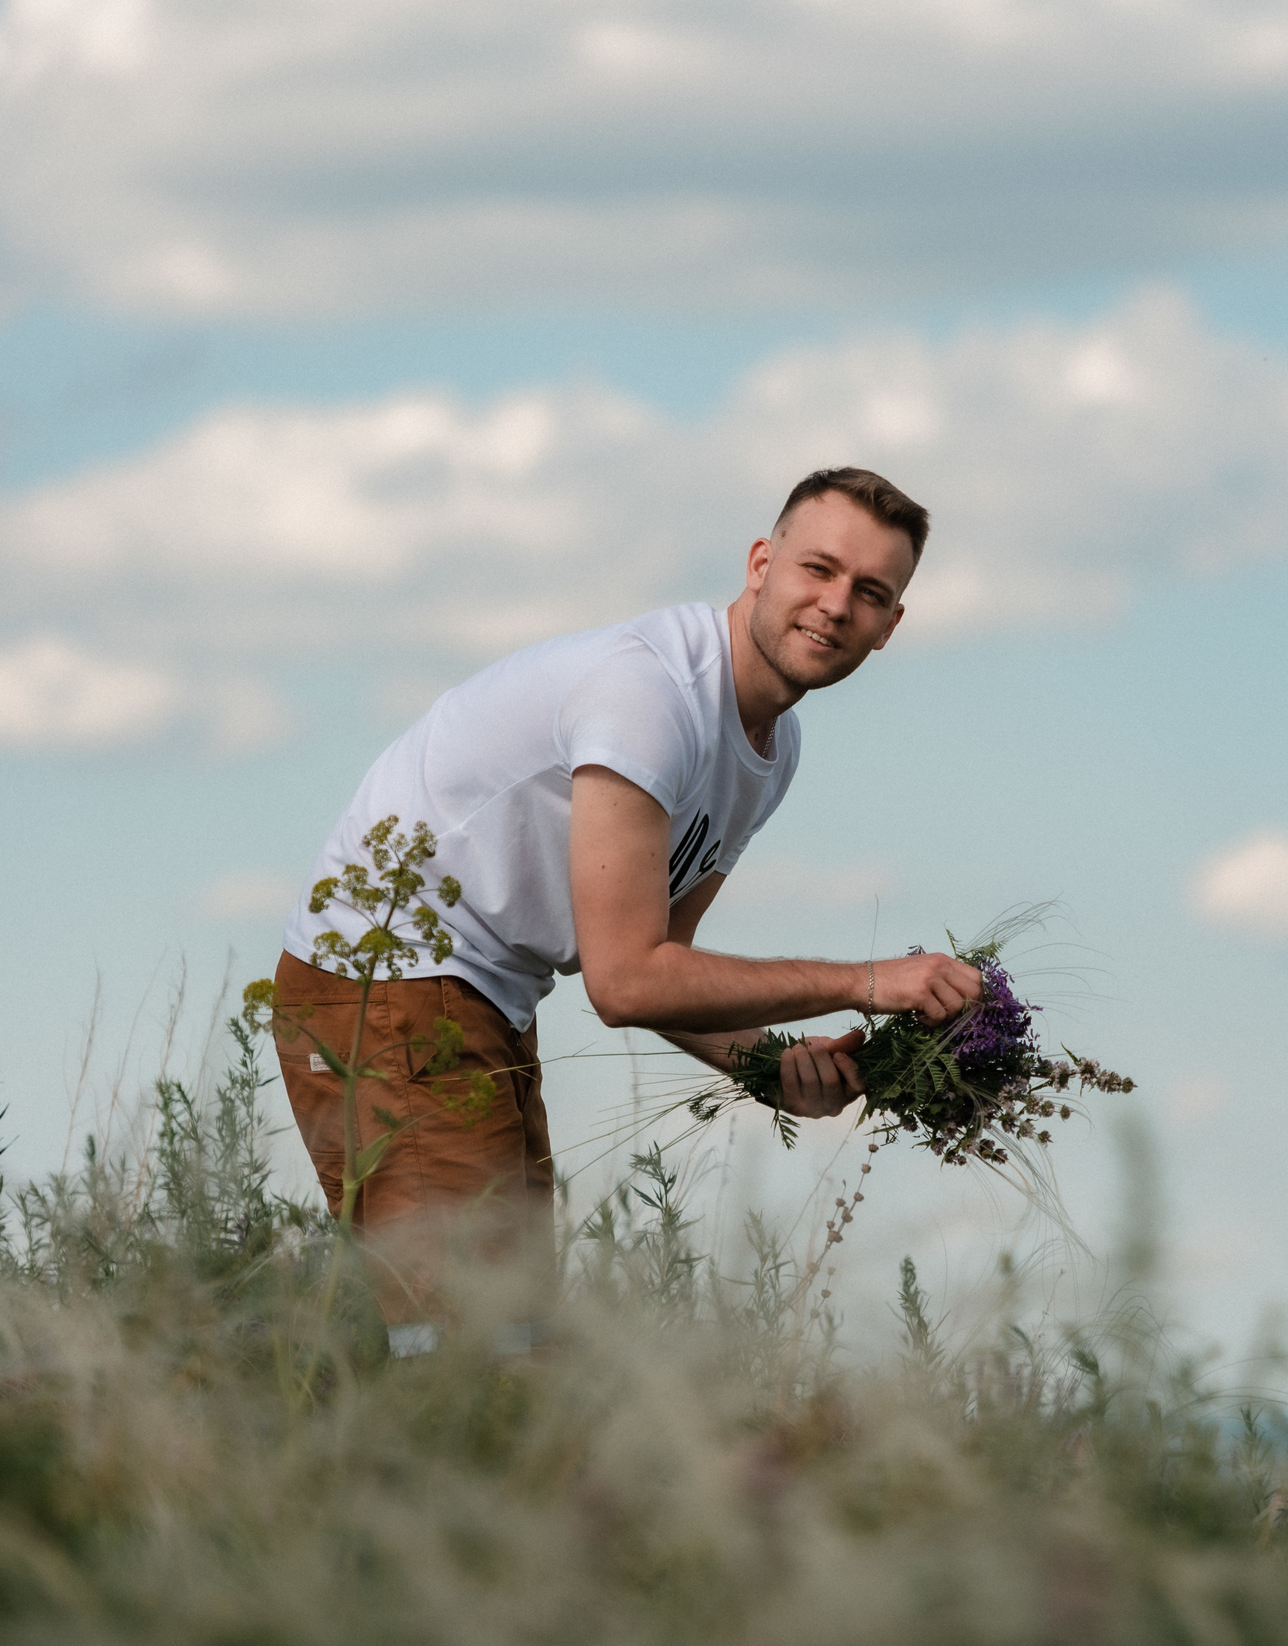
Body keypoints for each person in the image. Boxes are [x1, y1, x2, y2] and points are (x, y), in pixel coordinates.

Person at [266, 467, 985, 1354]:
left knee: (514, 1336)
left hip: (480, 997)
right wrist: (866, 982)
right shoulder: (652, 694)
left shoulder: (773, 746)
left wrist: (770, 1067)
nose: (836, 604)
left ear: (890, 626)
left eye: (869, 592)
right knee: (470, 1348)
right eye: (818, 568)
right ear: (762, 564)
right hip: (385, 979)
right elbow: (626, 981)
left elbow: (668, 966)